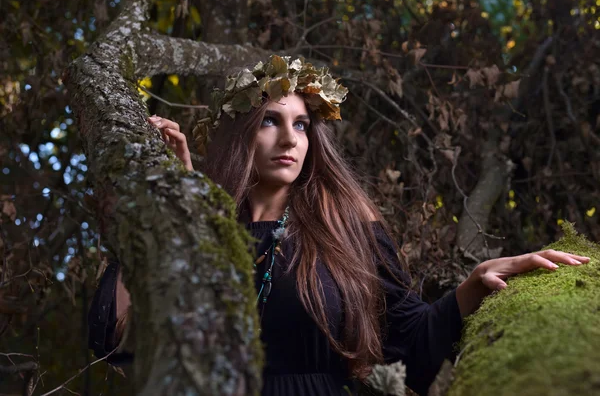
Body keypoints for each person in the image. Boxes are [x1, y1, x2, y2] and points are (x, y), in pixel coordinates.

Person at [88, 55, 589, 396]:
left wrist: (473, 285)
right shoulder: (204, 229)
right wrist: (169, 199)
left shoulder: (344, 221)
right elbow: (117, 340)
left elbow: (411, 341)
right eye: (270, 120)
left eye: (301, 124)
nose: (290, 137)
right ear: (242, 132)